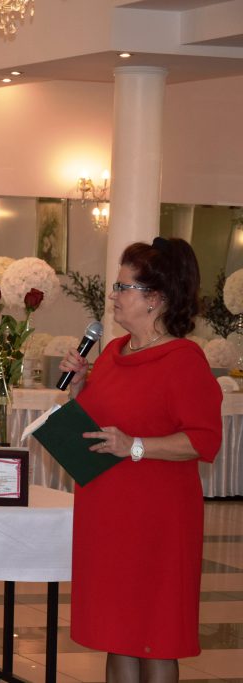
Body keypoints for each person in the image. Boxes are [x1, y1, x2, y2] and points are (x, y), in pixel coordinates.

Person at [59, 237, 222, 683]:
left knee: (156, 633)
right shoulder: (113, 354)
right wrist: (78, 388)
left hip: (156, 518)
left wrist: (135, 446)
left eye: (122, 286)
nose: (113, 295)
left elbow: (203, 440)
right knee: (119, 631)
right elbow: (97, 424)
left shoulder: (183, 360)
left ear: (155, 298)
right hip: (108, 510)